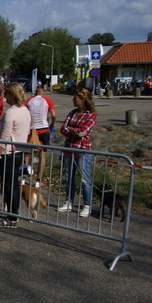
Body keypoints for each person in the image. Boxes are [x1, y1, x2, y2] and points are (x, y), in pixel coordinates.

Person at [0, 83, 31, 228]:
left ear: (12, 95)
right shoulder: (25, 111)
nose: (4, 97)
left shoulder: (11, 113)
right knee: (14, 185)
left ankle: (11, 217)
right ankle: (13, 214)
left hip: (9, 153)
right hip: (19, 151)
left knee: (9, 187)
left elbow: (4, 137)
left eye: (6, 94)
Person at [57, 88, 96, 218]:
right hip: (69, 147)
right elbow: (63, 128)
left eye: (76, 98)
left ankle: (87, 205)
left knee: (84, 179)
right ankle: (69, 201)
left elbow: (84, 132)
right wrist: (73, 131)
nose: (73, 100)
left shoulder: (91, 115)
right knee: (69, 177)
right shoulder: (72, 113)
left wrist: (73, 130)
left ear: (83, 99)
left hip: (82, 149)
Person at [26, 87, 56, 187]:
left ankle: (23, 177)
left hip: (32, 129)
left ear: (35, 93)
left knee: (27, 154)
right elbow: (53, 115)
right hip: (43, 128)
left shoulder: (29, 100)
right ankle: (38, 181)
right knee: (42, 155)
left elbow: (25, 114)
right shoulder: (48, 100)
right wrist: (52, 124)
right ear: (43, 93)